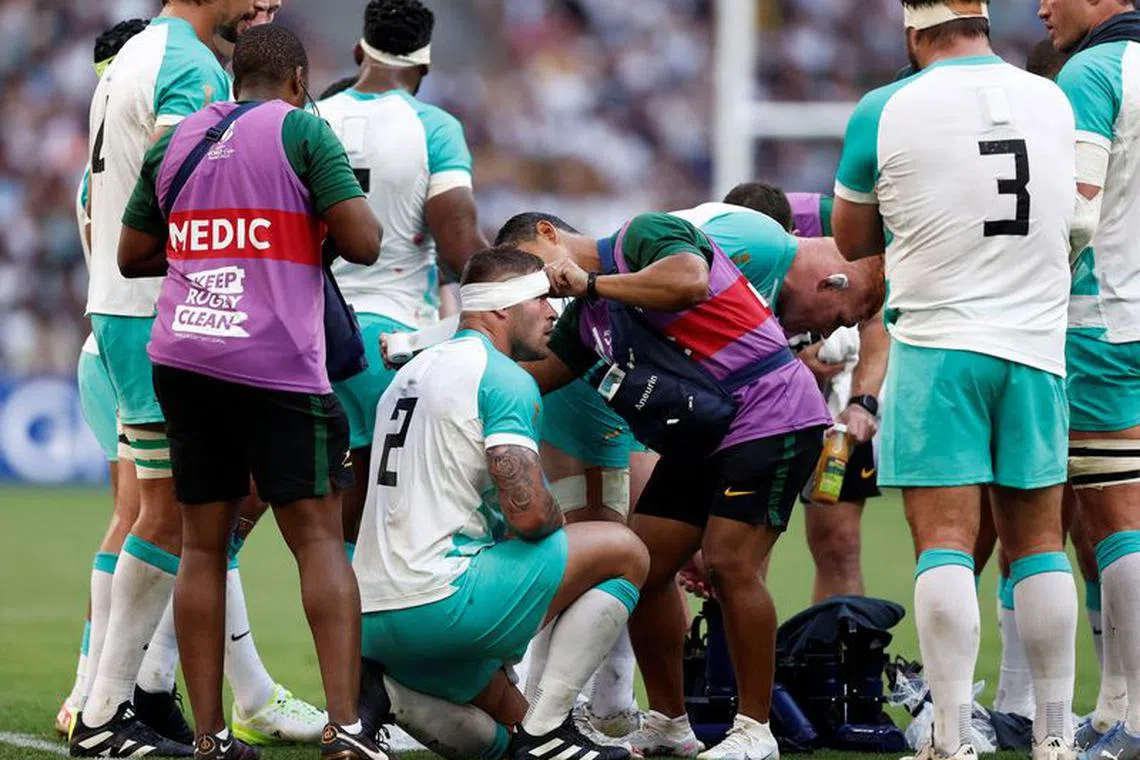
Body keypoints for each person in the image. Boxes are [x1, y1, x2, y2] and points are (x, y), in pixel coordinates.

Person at [115, 24, 386, 760]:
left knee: (202, 548)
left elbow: (132, 253)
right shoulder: (302, 133)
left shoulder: (175, 143)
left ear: (234, 79)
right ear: (298, 80)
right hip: (275, 362)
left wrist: (216, 242)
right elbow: (365, 242)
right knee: (320, 540)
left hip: (184, 357)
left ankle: (208, 740)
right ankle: (348, 729)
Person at [832, 4, 1079, 760]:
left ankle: (948, 737)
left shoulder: (887, 105)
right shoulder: (1052, 97)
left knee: (943, 542)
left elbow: (850, 238)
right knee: (1038, 546)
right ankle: (1056, 736)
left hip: (939, 342)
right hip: (1037, 345)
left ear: (914, 32)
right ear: (983, 20)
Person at [497, 211, 833, 760]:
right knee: (643, 565)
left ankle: (755, 731)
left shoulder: (641, 236)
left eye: (537, 269)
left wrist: (591, 283)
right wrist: (458, 362)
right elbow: (541, 376)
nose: (545, 289)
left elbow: (688, 281)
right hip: (704, 433)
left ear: (549, 233)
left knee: (729, 564)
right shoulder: (588, 316)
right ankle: (670, 724)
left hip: (772, 409)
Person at [354, 246, 647, 760]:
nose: (553, 313)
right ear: (501, 309)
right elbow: (531, 516)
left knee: (507, 742)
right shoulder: (505, 378)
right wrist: (555, 511)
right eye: (541, 300)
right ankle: (550, 726)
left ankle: (390, 695)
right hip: (441, 604)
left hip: (369, 616)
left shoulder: (407, 375)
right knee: (625, 550)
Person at [77, 2, 258, 755]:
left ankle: (126, 699)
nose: (258, 4)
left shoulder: (138, 53)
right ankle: (107, 711)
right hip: (157, 308)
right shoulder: (186, 63)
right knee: (169, 513)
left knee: (169, 510)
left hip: (124, 306)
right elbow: (175, 179)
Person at [316, 0, 487, 558]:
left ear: (359, 51)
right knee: (386, 530)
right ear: (426, 66)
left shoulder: (310, 116)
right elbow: (462, 249)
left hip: (303, 332)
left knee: (273, 518)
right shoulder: (433, 128)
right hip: (390, 342)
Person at [1038, 1, 1140, 757]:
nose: (1040, 5)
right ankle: (1113, 702)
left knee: (1112, 518)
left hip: (1103, 319)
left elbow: (1076, 213)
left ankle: (1134, 716)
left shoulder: (1092, 70)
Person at [727, 184, 889, 603]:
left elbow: (875, 316)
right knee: (743, 541)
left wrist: (862, 402)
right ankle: (733, 663)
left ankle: (838, 662)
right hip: (761, 391)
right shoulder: (720, 253)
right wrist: (792, 367)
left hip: (837, 390)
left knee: (838, 542)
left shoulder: (838, 224)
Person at [57, 20, 150, 739]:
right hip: (133, 336)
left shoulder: (94, 170)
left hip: (101, 341)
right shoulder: (134, 151)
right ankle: (95, 693)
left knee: (139, 517)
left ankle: (98, 686)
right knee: (153, 518)